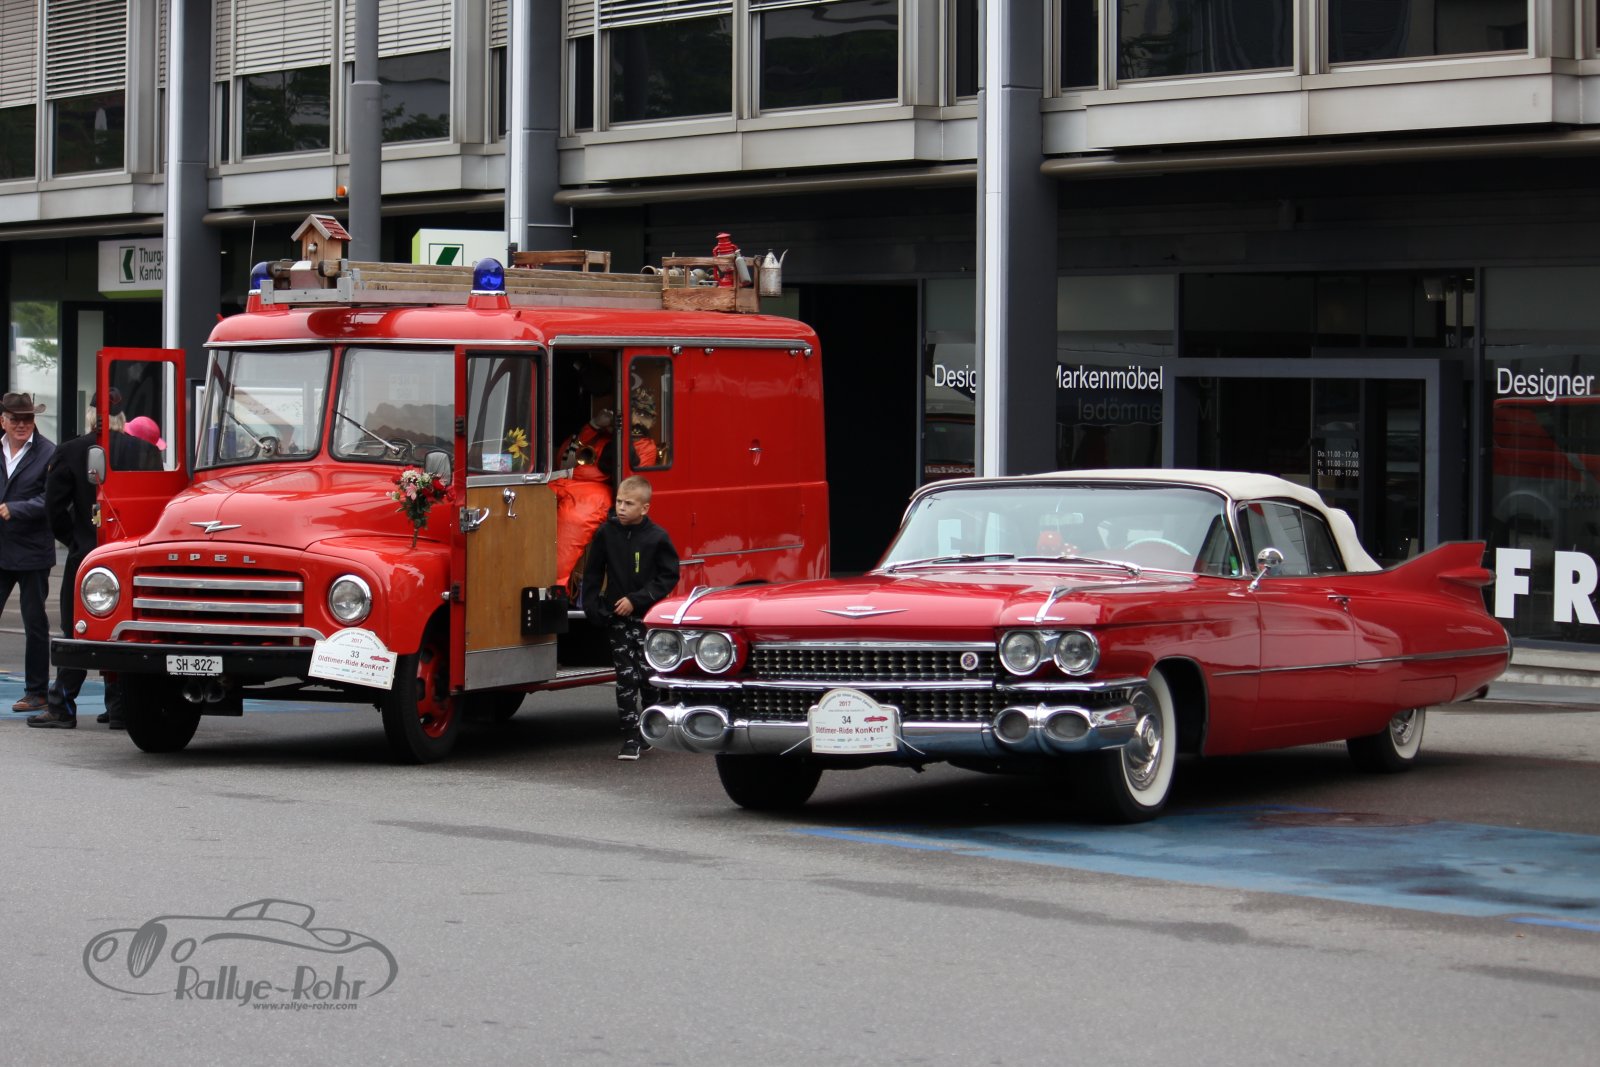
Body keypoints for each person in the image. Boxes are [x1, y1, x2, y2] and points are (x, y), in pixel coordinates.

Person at [41, 392, 128, 728]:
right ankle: (120, 707)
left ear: (91, 415)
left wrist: (76, 539)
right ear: (123, 417)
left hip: (86, 553)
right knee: (122, 631)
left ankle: (62, 705)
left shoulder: (70, 450)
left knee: (76, 629)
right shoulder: (143, 450)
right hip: (126, 553)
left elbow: (54, 508)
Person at [580, 475, 680, 760]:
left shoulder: (657, 537)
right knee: (626, 678)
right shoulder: (606, 533)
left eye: (628, 504)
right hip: (618, 619)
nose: (621, 508)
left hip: (646, 619)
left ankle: (649, 727)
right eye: (619, 502)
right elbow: (593, 572)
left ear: (644, 508)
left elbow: (668, 576)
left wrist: (637, 599)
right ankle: (630, 737)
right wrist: (593, 607)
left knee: (648, 676)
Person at [0, 393, 58, 722]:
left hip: (33, 550)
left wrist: (16, 509)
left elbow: (52, 499)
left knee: (34, 622)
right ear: (3, 421)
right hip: (2, 547)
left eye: (28, 419)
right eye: (15, 419)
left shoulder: (48, 452)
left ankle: (37, 692)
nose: (22, 425)